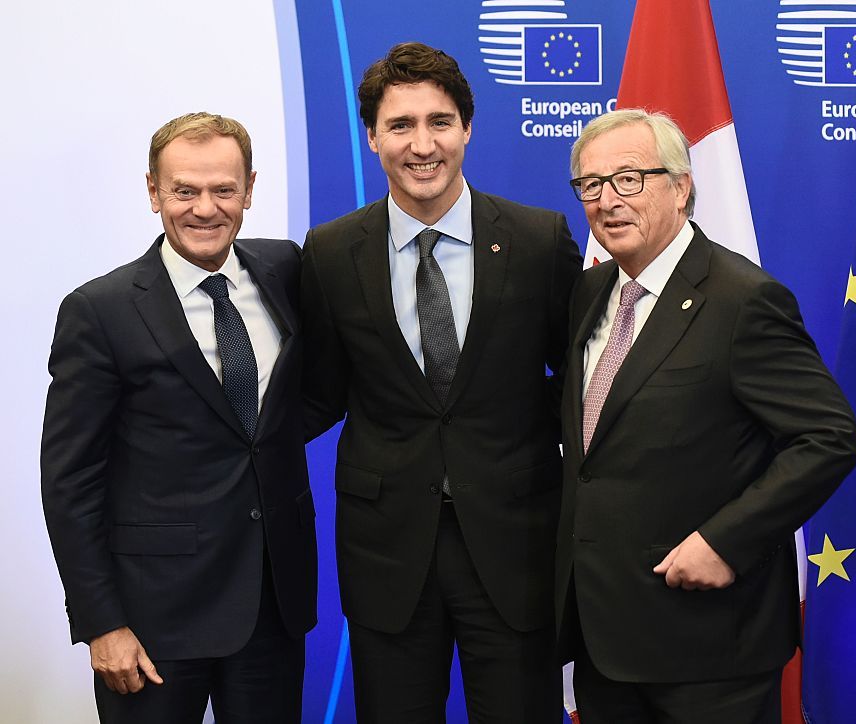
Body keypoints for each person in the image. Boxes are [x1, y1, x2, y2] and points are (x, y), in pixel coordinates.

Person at [302, 42, 581, 722]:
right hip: (387, 551)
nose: (422, 145)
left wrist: (516, 440)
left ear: (467, 129)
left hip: (516, 544)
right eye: (400, 125)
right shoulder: (331, 252)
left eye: (440, 122)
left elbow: (577, 377)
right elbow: (319, 391)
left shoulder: (538, 239)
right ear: (372, 137)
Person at [554, 108, 856, 723]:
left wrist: (726, 541)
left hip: (709, 648)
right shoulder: (591, 294)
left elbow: (829, 436)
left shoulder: (743, 299)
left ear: (681, 186)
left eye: (629, 179)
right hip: (604, 640)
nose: (607, 201)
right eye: (591, 185)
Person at [41, 112, 316, 724]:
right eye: (184, 190)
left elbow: (294, 406)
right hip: (151, 622)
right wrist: (102, 624)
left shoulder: (287, 270)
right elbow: (69, 481)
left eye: (223, 189)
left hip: (272, 608)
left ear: (249, 188)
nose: (204, 209)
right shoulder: (99, 310)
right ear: (153, 192)